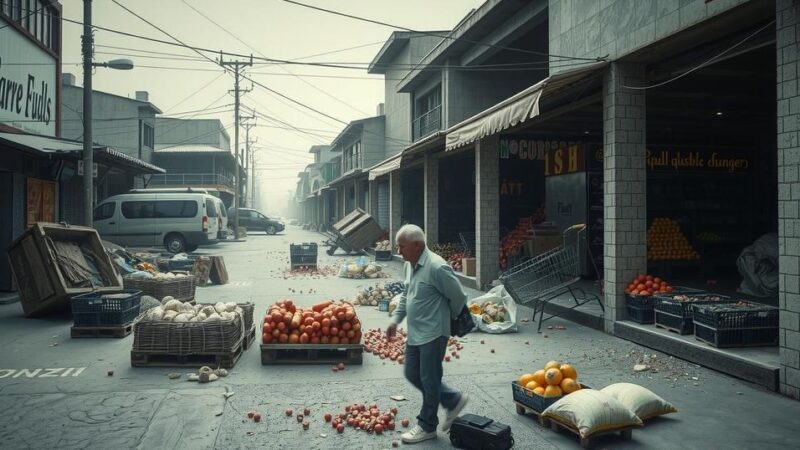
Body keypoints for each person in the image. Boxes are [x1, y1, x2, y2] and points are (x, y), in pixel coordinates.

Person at [387, 224, 469, 444]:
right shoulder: (409, 265)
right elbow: (406, 295)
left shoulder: (437, 267)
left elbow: (459, 297)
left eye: (402, 246)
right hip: (415, 332)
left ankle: (427, 425)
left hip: (433, 333)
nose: (399, 250)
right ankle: (453, 399)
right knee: (412, 373)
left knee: (429, 379)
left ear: (418, 246)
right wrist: (395, 321)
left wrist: (447, 319)